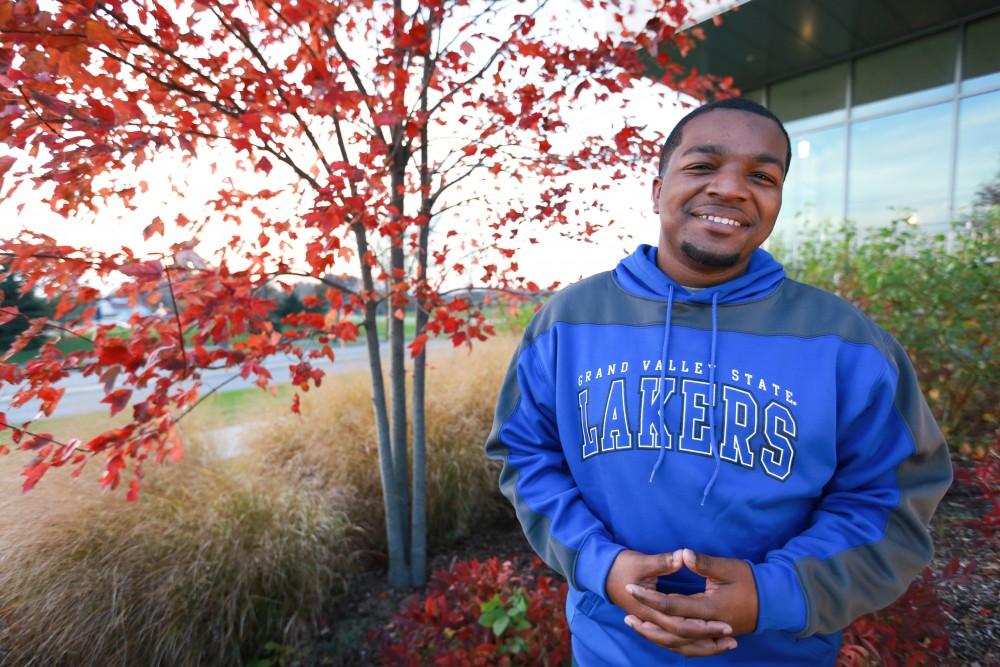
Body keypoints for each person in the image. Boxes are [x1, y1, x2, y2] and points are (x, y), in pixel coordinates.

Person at [484, 97, 952, 665]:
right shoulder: (567, 322)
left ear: (777, 200)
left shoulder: (847, 343)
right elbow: (527, 455)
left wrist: (768, 594)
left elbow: (889, 500)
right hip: (610, 648)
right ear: (657, 190)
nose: (730, 189)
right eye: (703, 166)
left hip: (777, 653)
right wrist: (599, 563)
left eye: (761, 175)